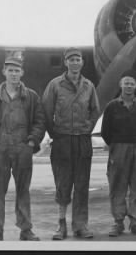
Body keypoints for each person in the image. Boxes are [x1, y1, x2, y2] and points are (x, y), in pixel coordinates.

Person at [0, 55, 45, 241]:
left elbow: (40, 122)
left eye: (17, 70)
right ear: (4, 72)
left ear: (22, 73)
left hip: (23, 149)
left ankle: (26, 230)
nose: (14, 74)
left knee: (23, 191)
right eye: (10, 70)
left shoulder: (31, 97)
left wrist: (31, 142)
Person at [42, 47, 100, 240]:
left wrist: (87, 128)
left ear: (82, 62)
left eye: (78, 59)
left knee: (82, 185)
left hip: (82, 140)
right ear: (66, 62)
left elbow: (95, 110)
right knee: (63, 184)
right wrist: (56, 133)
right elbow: (46, 112)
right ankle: (61, 225)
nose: (75, 62)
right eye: (71, 59)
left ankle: (81, 226)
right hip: (62, 140)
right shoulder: (55, 85)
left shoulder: (89, 86)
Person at [101, 70, 136, 237]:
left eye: (132, 83)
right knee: (117, 186)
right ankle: (118, 222)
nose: (129, 86)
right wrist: (116, 146)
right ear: (120, 84)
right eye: (126, 82)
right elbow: (105, 132)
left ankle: (135, 221)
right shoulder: (111, 106)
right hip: (118, 148)